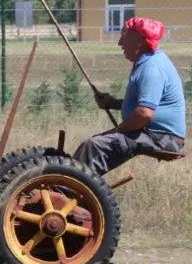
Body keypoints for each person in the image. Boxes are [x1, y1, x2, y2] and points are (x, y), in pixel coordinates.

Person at [73, 17, 185, 176]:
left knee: (93, 146)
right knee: (91, 146)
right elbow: (144, 106)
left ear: (139, 41)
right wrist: (112, 103)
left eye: (123, 37)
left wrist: (115, 131)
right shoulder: (147, 62)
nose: (119, 43)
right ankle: (73, 185)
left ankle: (70, 189)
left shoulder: (152, 68)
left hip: (162, 138)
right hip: (154, 133)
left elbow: (144, 114)